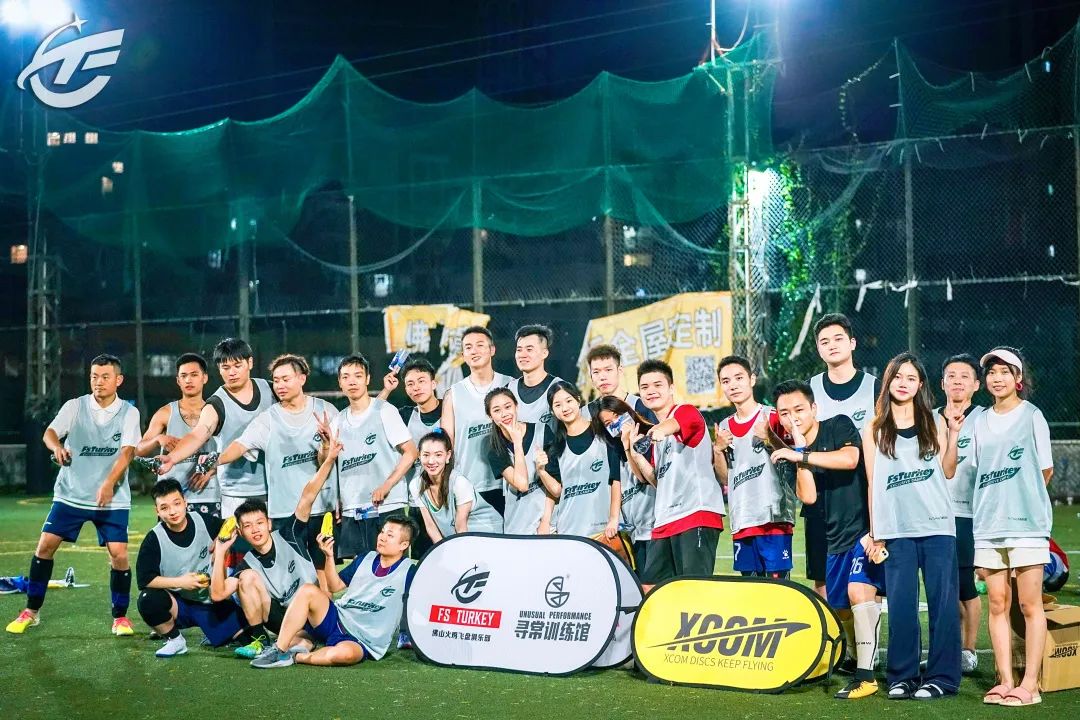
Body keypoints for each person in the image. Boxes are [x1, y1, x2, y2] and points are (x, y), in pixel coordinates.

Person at [7, 354, 140, 637]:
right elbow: (50, 433)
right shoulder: (75, 406)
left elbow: (128, 452)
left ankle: (120, 617)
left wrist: (109, 484)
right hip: (71, 494)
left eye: (105, 377)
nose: (98, 382)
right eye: (94, 376)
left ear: (118, 380)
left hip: (112, 499)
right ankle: (31, 611)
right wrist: (56, 447)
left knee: (119, 555)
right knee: (45, 547)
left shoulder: (129, 413)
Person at [770, 380, 882, 700]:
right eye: (784, 413)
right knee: (839, 607)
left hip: (862, 530)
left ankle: (867, 675)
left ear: (814, 409)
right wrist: (799, 453)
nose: (792, 418)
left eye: (799, 410)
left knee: (860, 593)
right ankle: (857, 657)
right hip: (829, 536)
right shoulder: (791, 453)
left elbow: (849, 459)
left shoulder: (838, 425)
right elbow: (808, 496)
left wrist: (802, 453)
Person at [863, 352, 961, 700]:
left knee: (942, 606)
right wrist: (875, 533)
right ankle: (902, 677)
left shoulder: (935, 421)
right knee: (902, 607)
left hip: (937, 527)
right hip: (896, 530)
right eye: (897, 377)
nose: (903, 383)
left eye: (911, 378)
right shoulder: (874, 428)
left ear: (920, 385)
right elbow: (872, 483)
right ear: (887, 381)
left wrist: (954, 433)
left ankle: (942, 678)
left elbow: (948, 470)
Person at [202, 354, 337, 582]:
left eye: (286, 379)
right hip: (284, 512)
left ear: (302, 378)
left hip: (321, 508)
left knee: (322, 574)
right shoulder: (269, 419)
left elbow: (330, 459)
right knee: (290, 576)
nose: (280, 385)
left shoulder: (326, 411)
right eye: (276, 380)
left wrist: (326, 444)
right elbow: (241, 445)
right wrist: (215, 461)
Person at [972, 347, 1053, 707]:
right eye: (991, 372)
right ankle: (1005, 680)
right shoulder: (980, 420)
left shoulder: (1033, 416)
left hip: (1027, 527)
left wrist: (1024, 504)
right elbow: (978, 470)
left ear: (1018, 378)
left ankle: (1030, 684)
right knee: (997, 603)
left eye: (1005, 371)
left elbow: (1046, 470)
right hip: (988, 525)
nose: (997, 378)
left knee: (1029, 604)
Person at [210, 438, 340, 659]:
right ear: (240, 532)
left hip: (314, 612)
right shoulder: (248, 563)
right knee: (246, 578)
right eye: (248, 526)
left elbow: (308, 495)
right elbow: (217, 594)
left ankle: (300, 643)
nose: (255, 530)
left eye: (259, 523)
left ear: (269, 524)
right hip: (286, 620)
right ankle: (260, 640)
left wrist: (329, 459)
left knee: (303, 641)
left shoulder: (290, 534)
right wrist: (221, 551)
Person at [251, 516, 418, 668]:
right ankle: (279, 650)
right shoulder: (365, 558)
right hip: (337, 618)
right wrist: (329, 556)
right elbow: (335, 586)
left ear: (404, 545)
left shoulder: (410, 572)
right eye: (382, 532)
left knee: (344, 655)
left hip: (363, 639)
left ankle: (297, 656)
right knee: (308, 590)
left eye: (390, 535)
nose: (382, 537)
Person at [804, 314, 880, 598]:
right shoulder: (809, 389)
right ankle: (831, 627)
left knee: (868, 575)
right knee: (822, 577)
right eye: (824, 341)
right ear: (818, 349)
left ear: (852, 343)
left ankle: (866, 627)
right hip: (822, 495)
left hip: (862, 493)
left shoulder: (874, 387)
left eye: (838, 339)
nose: (832, 345)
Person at [158, 338, 273, 525]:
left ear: (250, 363)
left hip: (275, 489)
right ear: (219, 369)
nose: (232, 372)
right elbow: (198, 434)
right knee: (235, 544)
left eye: (237, 365)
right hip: (236, 494)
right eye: (225, 367)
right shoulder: (216, 404)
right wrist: (172, 458)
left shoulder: (271, 389)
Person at [636, 360, 726, 582]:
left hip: (695, 514)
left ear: (671, 388)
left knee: (693, 590)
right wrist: (634, 452)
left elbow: (675, 424)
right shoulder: (656, 437)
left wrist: (658, 431)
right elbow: (658, 481)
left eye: (658, 385)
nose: (651, 390)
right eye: (645, 387)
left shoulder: (686, 412)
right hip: (665, 520)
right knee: (651, 587)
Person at [135, 479, 245, 657]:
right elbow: (145, 580)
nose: (172, 511)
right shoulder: (153, 539)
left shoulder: (203, 521)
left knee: (247, 637)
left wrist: (220, 540)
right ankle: (175, 639)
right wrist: (181, 582)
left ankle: (215, 630)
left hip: (211, 601)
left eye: (176, 504)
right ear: (157, 511)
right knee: (148, 599)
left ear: (185, 502)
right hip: (179, 605)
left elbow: (233, 522)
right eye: (164, 508)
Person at [326, 354, 418, 563]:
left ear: (367, 379)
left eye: (358, 376)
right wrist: (336, 497)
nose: (352, 381)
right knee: (356, 573)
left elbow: (411, 452)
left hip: (386, 506)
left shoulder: (385, 410)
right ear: (340, 382)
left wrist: (386, 486)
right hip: (352, 510)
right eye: (346, 377)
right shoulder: (337, 421)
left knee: (391, 569)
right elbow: (329, 464)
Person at [712, 355, 797, 579]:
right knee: (750, 592)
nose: (733, 385)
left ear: (752, 379)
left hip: (774, 518)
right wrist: (718, 450)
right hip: (742, 520)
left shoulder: (772, 417)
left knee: (779, 591)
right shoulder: (724, 427)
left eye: (739, 378)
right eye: (726, 381)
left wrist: (770, 438)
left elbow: (794, 461)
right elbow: (725, 478)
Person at [937, 353, 986, 674]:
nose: (957, 381)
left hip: (969, 515)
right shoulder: (929, 418)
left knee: (966, 585)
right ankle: (950, 649)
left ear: (977, 385)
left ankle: (969, 650)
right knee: (944, 587)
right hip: (933, 516)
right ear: (942, 383)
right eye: (951, 376)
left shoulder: (984, 418)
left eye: (964, 376)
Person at [137, 353, 219, 523]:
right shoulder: (165, 413)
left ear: (204, 378)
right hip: (171, 500)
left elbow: (230, 452)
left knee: (211, 541)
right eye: (184, 376)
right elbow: (138, 450)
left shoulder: (217, 412)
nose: (188, 380)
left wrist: (211, 470)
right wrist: (158, 439)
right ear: (178, 381)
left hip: (209, 494)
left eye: (194, 375)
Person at [440, 326, 511, 514]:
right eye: (468, 347)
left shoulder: (510, 385)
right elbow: (446, 443)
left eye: (480, 345)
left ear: (492, 350)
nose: (474, 351)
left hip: (508, 483)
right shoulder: (453, 394)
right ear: (463, 355)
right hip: (469, 485)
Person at [537, 382, 622, 539]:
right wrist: (541, 471)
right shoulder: (555, 447)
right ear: (553, 411)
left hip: (604, 529)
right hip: (569, 531)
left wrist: (614, 518)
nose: (565, 408)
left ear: (578, 400)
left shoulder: (602, 432)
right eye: (558, 405)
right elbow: (556, 491)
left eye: (569, 401)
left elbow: (616, 478)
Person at [379, 356, 442, 559]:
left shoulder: (450, 410)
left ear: (433, 383)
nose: (416, 387)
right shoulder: (405, 416)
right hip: (418, 503)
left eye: (421, 381)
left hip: (449, 499)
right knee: (422, 561)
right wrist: (387, 390)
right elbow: (372, 418)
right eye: (410, 384)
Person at [590, 395, 657, 577]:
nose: (616, 423)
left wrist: (629, 446)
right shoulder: (614, 448)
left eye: (617, 415)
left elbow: (642, 477)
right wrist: (613, 518)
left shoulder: (648, 436)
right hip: (636, 529)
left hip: (655, 524)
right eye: (608, 423)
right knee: (642, 581)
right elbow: (615, 481)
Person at [485, 388, 555, 534]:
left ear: (516, 406)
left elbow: (555, 483)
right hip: (518, 526)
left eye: (508, 406)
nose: (504, 414)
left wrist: (546, 521)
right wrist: (517, 442)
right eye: (497, 410)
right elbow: (522, 485)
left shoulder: (542, 431)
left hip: (548, 523)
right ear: (490, 416)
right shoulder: (495, 450)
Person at [411, 431, 503, 542]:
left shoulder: (459, 483)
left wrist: (458, 552)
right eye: (426, 455)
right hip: (459, 539)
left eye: (438, 455)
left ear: (448, 456)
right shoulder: (416, 485)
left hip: (489, 535)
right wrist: (444, 549)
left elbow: (461, 528)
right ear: (419, 456)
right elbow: (430, 526)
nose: (431, 461)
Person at [582, 344, 658, 423]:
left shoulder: (642, 406)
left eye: (608, 370)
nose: (602, 377)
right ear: (591, 376)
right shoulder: (586, 414)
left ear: (620, 371)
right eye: (596, 372)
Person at [507, 324, 561, 428]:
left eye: (529, 349)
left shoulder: (559, 388)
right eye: (519, 350)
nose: (523, 355)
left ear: (544, 353)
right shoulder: (508, 390)